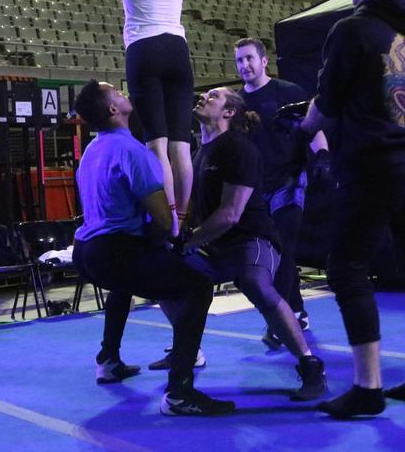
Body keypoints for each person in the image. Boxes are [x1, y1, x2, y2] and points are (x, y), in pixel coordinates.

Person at [295, 0, 405, 418]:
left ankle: (368, 386)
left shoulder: (352, 29)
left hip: (375, 168)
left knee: (347, 269)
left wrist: (301, 130)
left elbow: (329, 100)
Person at [71, 80, 234, 417]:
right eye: (116, 92)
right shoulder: (133, 152)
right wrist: (179, 240)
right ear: (114, 110)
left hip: (85, 251)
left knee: (125, 282)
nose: (123, 92)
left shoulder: (92, 149)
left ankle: (109, 360)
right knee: (198, 287)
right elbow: (164, 220)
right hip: (112, 251)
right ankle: (180, 392)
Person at [183, 87, 327, 401]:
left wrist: (191, 241)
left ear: (229, 112)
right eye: (205, 94)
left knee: (254, 282)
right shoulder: (198, 154)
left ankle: (310, 364)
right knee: (170, 275)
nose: (204, 97)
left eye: (214, 96)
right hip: (217, 245)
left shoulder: (238, 149)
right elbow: (196, 208)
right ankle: (186, 352)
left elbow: (231, 214)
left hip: (253, 239)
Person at [85, 0, 193, 235]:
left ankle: (169, 223)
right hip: (177, 50)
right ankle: (186, 217)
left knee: (157, 144)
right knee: (181, 143)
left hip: (145, 49)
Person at [233, 37, 329, 341]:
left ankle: (279, 321)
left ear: (264, 61)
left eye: (249, 58)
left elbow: (313, 128)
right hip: (256, 189)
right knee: (274, 253)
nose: (245, 65)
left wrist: (323, 157)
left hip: (289, 180)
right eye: (239, 60)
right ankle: (297, 314)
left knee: (284, 247)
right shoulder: (235, 104)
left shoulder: (287, 93)